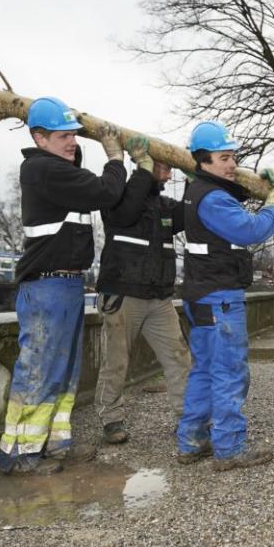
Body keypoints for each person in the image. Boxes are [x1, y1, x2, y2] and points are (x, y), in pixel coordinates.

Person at [0, 96, 128, 476]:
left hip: (65, 285)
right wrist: (115, 158)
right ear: (39, 138)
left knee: (64, 372)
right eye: (63, 136)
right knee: (39, 372)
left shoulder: (60, 171)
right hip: (46, 288)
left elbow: (83, 175)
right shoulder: (43, 169)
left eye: (74, 135)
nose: (72, 142)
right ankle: (19, 456)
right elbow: (106, 191)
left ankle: (53, 444)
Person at [177, 121, 274, 471]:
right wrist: (273, 204)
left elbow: (230, 198)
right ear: (203, 161)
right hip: (220, 298)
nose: (232, 164)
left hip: (201, 295)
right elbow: (249, 229)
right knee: (229, 372)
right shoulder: (212, 199)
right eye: (224, 158)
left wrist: (257, 185)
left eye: (233, 157)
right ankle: (229, 448)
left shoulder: (199, 190)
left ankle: (192, 441)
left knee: (204, 371)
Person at [94, 136, 191, 444]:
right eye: (165, 166)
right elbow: (126, 214)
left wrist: (194, 180)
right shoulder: (118, 196)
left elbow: (188, 216)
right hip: (123, 295)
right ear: (145, 163)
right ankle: (111, 419)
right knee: (116, 362)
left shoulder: (164, 206)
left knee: (179, 358)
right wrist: (143, 170)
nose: (170, 174)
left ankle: (188, 419)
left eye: (172, 168)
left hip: (159, 298)